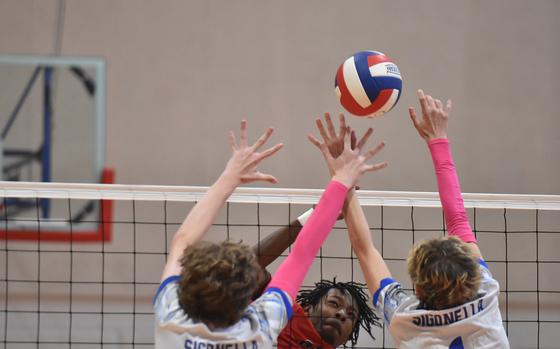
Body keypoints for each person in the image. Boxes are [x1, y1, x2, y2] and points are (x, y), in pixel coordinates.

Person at [154, 119, 386, 348]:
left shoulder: (171, 314)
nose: (342, 315)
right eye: (334, 303)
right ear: (245, 298)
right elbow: (302, 255)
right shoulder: (260, 328)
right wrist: (341, 180)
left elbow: (182, 240)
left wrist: (229, 178)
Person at [316, 90, 510, 348]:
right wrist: (438, 139)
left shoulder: (404, 317)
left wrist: (344, 179)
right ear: (473, 273)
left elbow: (365, 249)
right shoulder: (486, 293)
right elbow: (458, 221)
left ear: (417, 290)